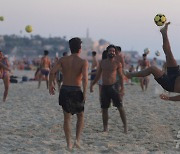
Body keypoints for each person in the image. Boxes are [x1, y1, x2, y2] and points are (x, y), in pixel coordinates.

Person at [49, 37, 88, 150]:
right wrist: (85, 93)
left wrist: (50, 85)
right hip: (76, 90)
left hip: (65, 89)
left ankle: (68, 144)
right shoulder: (83, 62)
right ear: (80, 49)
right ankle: (77, 140)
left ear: (70, 48)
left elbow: (52, 72)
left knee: (67, 118)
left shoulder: (62, 60)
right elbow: (85, 79)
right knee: (80, 116)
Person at [124, 22, 180, 101]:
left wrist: (169, 98)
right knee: (169, 53)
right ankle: (164, 33)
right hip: (176, 74)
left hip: (170, 85)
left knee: (152, 69)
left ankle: (130, 75)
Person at [90, 45, 127, 133]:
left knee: (120, 107)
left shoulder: (117, 63)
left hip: (114, 87)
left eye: (113, 51)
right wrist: (92, 84)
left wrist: (122, 88)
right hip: (104, 88)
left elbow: (121, 77)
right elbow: (98, 75)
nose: (112, 52)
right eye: (110, 51)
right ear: (107, 52)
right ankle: (105, 128)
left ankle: (125, 126)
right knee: (104, 109)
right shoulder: (102, 63)